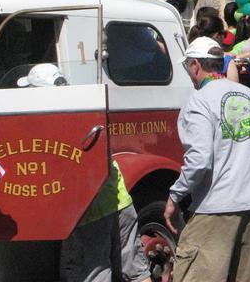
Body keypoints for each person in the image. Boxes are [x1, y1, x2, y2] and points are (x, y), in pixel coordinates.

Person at [163, 37, 250, 282]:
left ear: (195, 65)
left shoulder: (199, 101)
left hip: (214, 211)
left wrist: (175, 195)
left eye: (188, 67)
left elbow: (199, 159)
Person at [17, 64, 151, 282]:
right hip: (119, 200)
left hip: (86, 211)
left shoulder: (49, 125)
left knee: (92, 275)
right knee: (137, 272)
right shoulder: (84, 112)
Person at [188, 14, 238, 82]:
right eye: (224, 34)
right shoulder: (227, 61)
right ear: (217, 36)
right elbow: (233, 89)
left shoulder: (189, 55)